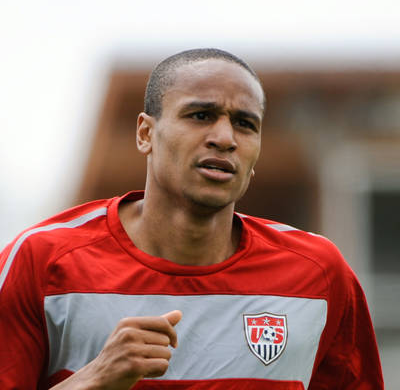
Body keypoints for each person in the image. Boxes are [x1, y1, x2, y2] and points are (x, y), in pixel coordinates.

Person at [0, 48, 383, 390]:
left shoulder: (319, 274)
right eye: (201, 115)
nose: (225, 137)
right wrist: (93, 379)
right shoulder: (41, 261)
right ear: (146, 134)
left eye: (245, 124)